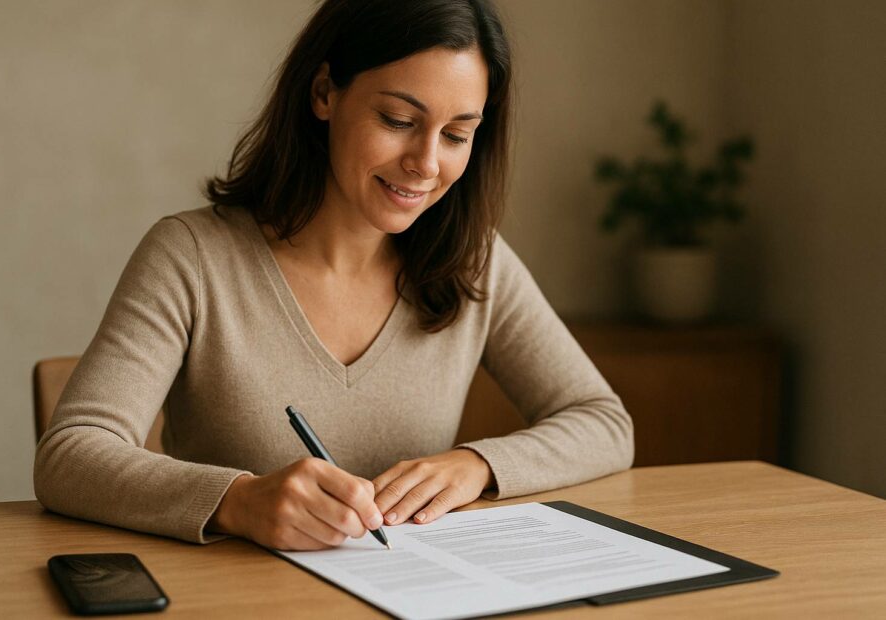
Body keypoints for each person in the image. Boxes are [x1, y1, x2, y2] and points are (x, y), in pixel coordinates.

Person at [34, 0, 633, 551]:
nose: (426, 163)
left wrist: (477, 464)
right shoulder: (192, 255)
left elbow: (603, 422)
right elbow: (71, 455)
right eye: (399, 119)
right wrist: (239, 501)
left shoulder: (472, 258)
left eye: (455, 135)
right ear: (324, 93)